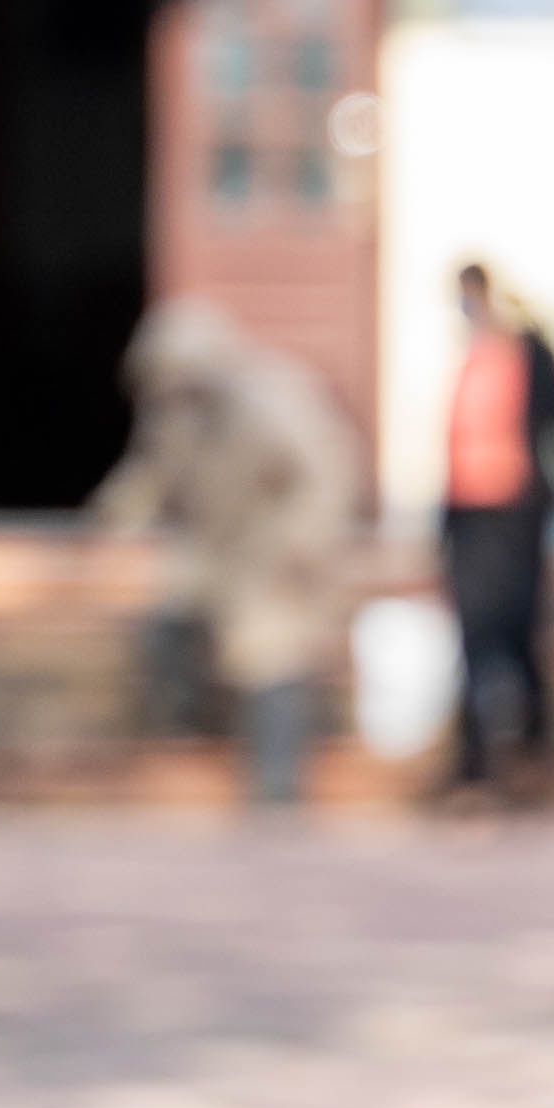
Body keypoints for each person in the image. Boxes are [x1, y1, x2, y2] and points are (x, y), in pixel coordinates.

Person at [89, 297, 363, 808]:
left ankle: (276, 786)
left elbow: (328, 472)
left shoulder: (275, 399)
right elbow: (154, 471)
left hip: (274, 543)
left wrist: (301, 539)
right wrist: (118, 512)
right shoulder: (174, 411)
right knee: (169, 608)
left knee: (271, 649)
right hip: (213, 546)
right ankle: (191, 731)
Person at [433, 262, 554, 800]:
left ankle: (531, 754)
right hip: (470, 518)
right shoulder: (470, 357)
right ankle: (473, 765)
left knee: (520, 634)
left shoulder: (528, 354)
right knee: (472, 637)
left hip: (517, 518)